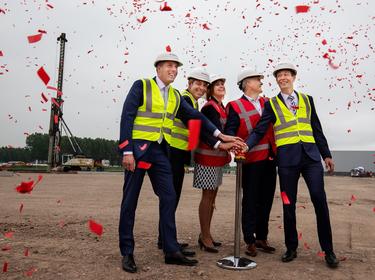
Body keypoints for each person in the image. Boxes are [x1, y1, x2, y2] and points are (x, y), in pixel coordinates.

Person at [118, 52, 243, 273]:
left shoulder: (175, 96)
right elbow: (127, 116)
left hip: (159, 151)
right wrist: (127, 150)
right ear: (157, 68)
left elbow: (196, 118)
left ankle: (170, 250)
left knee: (169, 196)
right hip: (138, 150)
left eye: (175, 67)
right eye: (168, 66)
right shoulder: (142, 86)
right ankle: (127, 252)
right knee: (130, 201)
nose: (173, 70)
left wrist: (219, 135)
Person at [244, 63, 339, 268]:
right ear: (277, 80)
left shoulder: (307, 100)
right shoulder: (272, 104)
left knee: (319, 200)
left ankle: (329, 250)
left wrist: (326, 155)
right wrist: (246, 146)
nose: (283, 78)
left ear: (293, 77)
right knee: (289, 205)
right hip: (287, 162)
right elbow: (260, 130)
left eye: (286, 74)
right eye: (279, 76)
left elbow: (316, 128)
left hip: (311, 158)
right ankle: (291, 247)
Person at [157, 67, 211, 254]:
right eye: (198, 84)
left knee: (172, 198)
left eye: (204, 86)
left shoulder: (192, 102)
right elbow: (194, 127)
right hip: (173, 152)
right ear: (189, 84)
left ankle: (165, 238)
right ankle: (166, 240)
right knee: (171, 198)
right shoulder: (185, 99)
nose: (201, 88)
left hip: (178, 154)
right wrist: (217, 140)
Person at [225, 69, 277, 257]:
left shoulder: (268, 103)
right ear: (247, 83)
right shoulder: (235, 106)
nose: (261, 82)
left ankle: (262, 237)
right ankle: (249, 239)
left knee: (266, 200)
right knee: (250, 200)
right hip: (251, 161)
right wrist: (236, 147)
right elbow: (230, 131)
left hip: (270, 159)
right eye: (257, 79)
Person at [193, 74, 231, 253]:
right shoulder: (209, 107)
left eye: (222, 83)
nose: (221, 86)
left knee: (212, 197)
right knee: (207, 197)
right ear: (209, 90)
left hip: (216, 158)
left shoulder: (221, 107)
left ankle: (206, 234)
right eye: (217, 84)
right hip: (207, 158)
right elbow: (207, 133)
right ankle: (205, 236)